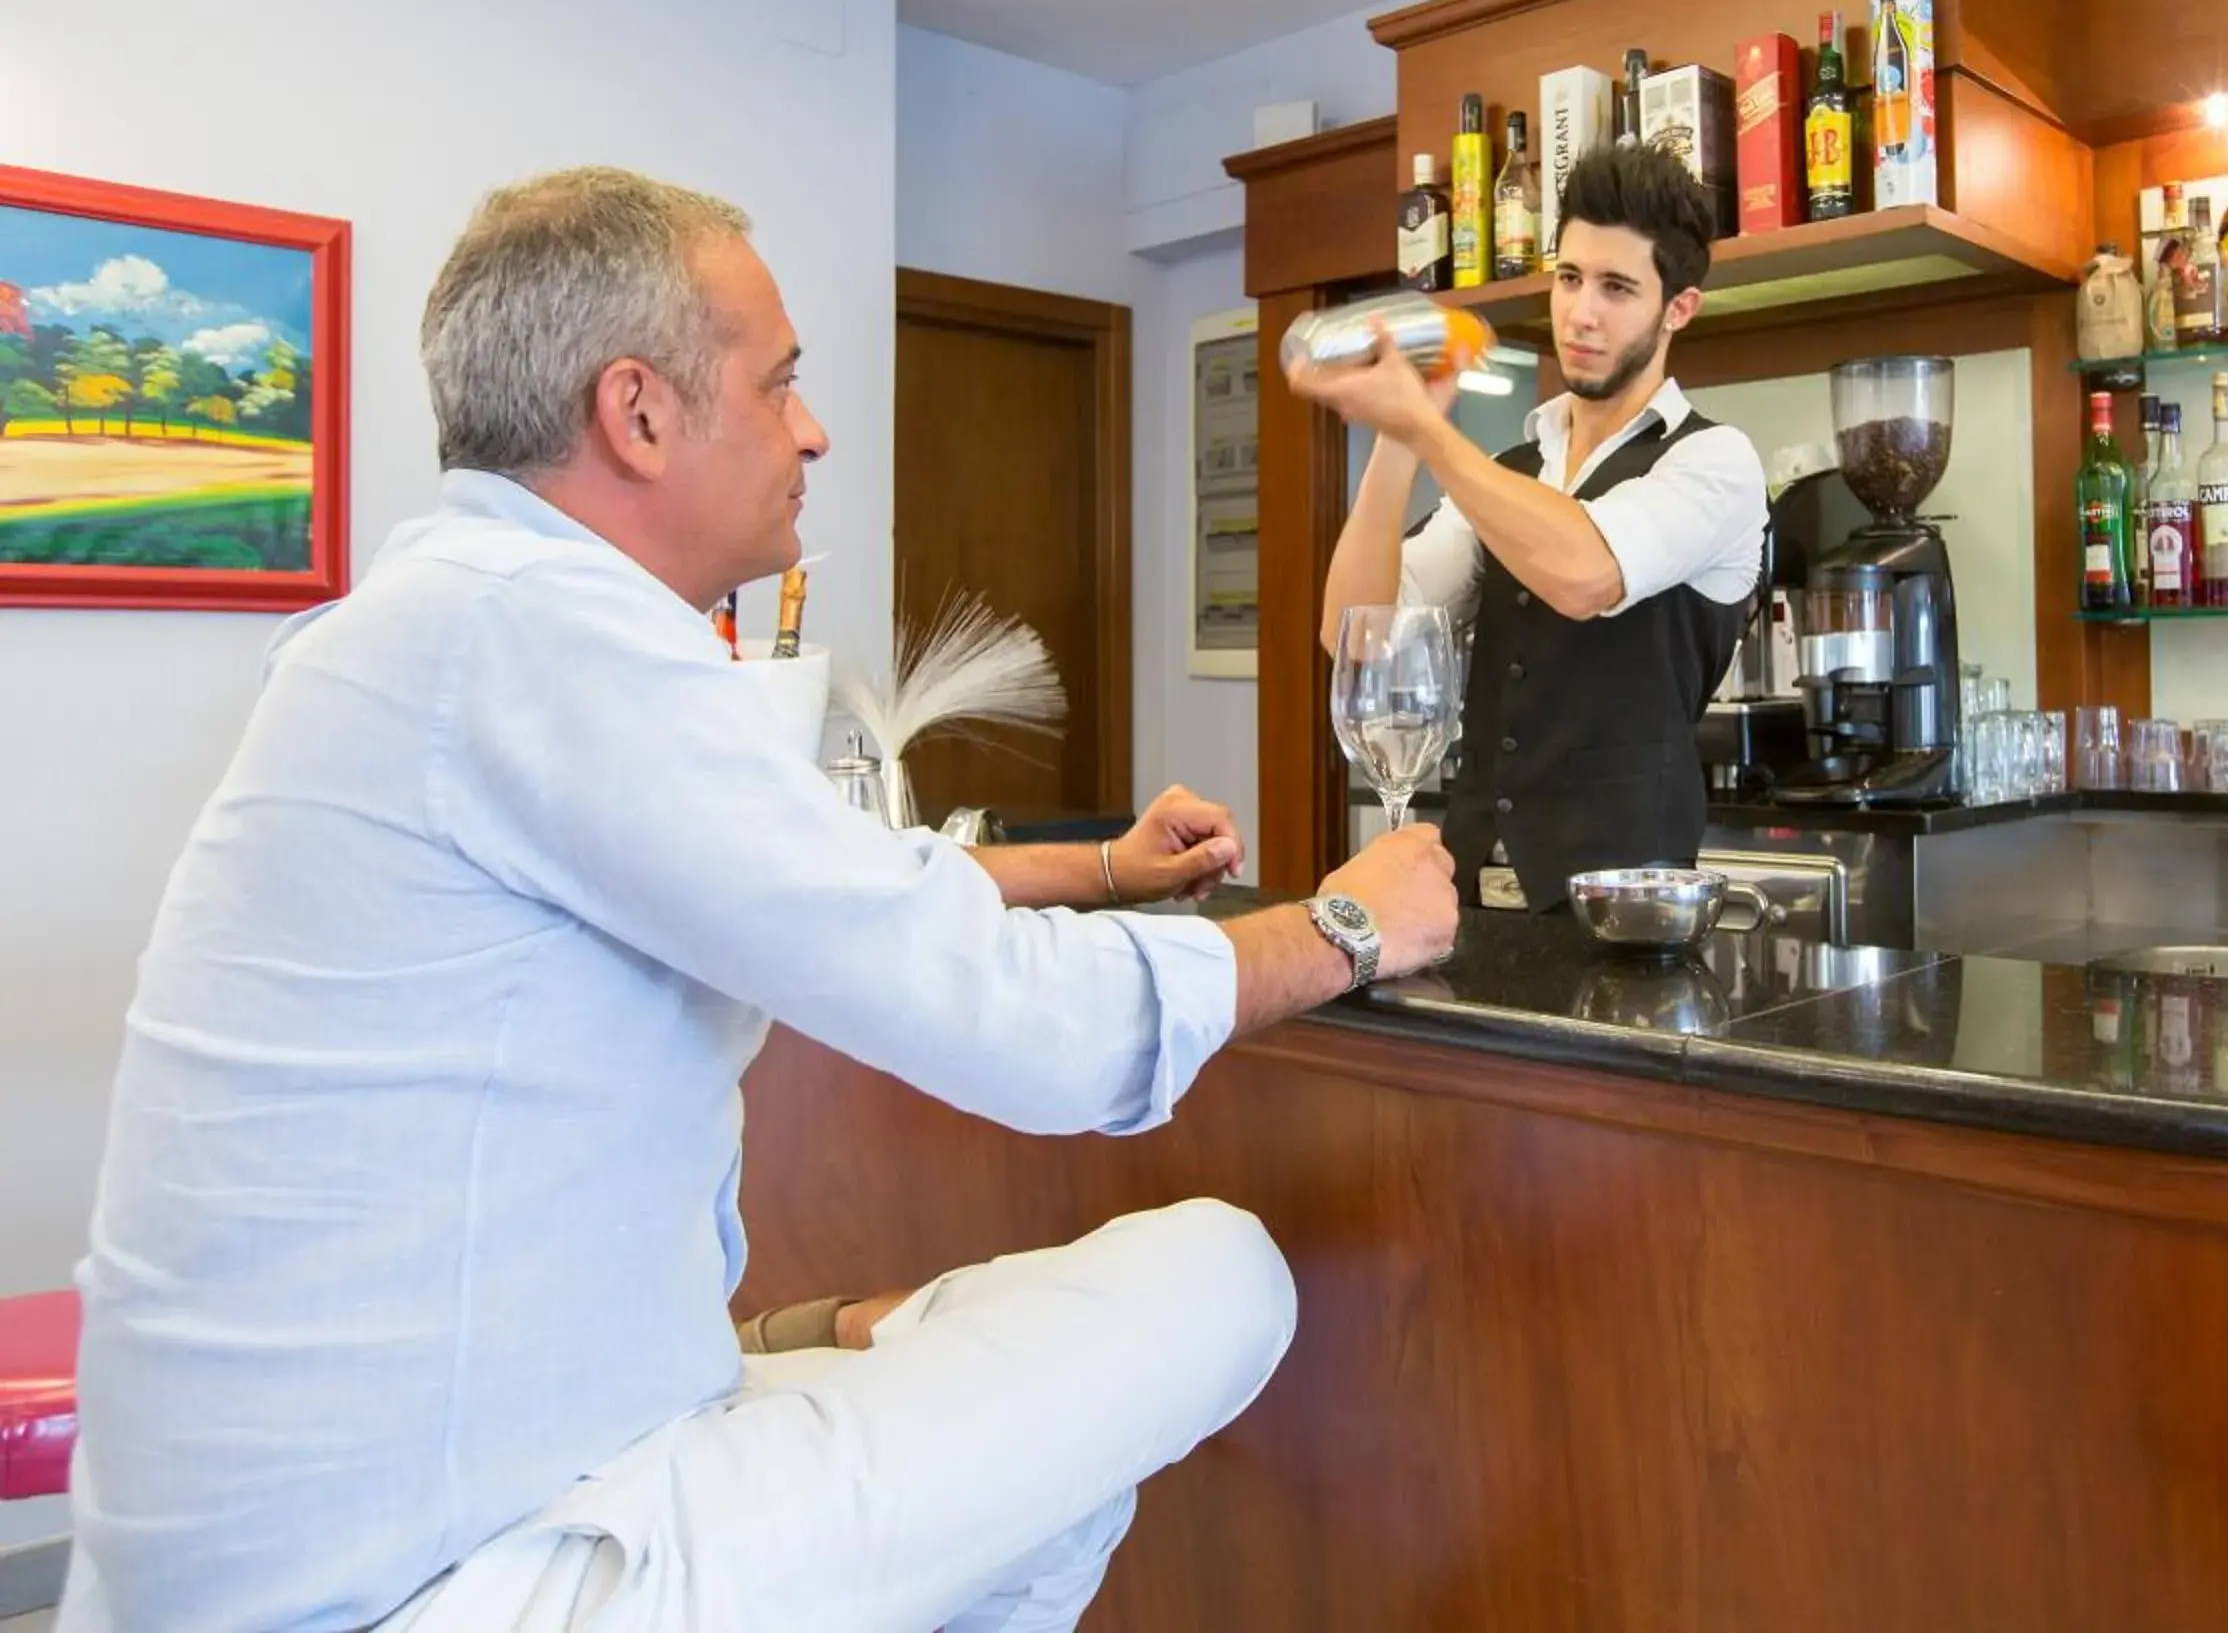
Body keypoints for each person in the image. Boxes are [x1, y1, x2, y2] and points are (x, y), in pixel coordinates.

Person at [63, 167, 1458, 1633]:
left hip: (359, 1524)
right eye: (780, 380)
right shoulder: (534, 634)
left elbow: (809, 884)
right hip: (422, 1574)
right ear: (639, 413)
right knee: (1218, 1278)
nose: (815, 428)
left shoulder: (453, 620)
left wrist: (1101, 870)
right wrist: (1347, 926)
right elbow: (1016, 1027)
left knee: (1040, 1467)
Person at [1294, 140, 1767, 913]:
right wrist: (1398, 435)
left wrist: (1431, 432)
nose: (1581, 313)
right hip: (1471, 897)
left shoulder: (1715, 463)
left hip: (1626, 913)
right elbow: (1358, 639)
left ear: (1677, 308)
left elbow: (1584, 573)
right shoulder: (1510, 470)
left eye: (1617, 288)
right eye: (1571, 278)